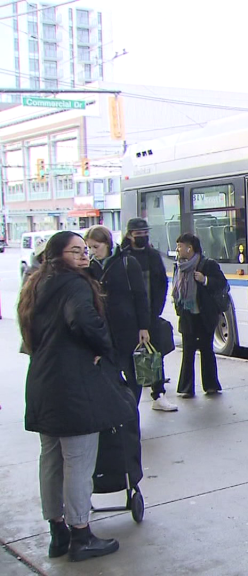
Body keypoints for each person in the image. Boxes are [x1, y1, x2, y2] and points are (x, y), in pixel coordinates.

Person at [18, 231, 121, 562]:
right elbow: (84, 321)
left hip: (43, 381)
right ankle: (81, 535)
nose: (83, 256)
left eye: (84, 250)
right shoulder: (75, 285)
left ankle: (57, 533)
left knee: (50, 459)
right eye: (75, 251)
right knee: (78, 461)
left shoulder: (36, 284)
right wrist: (102, 347)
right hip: (73, 384)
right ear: (57, 255)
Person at [85, 226, 151, 405]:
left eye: (96, 247)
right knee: (109, 373)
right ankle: (119, 414)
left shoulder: (127, 262)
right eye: (89, 248)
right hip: (104, 329)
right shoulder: (90, 267)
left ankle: (132, 412)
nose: (92, 252)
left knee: (132, 373)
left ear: (107, 244)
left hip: (127, 327)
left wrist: (143, 326)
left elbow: (140, 295)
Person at [122, 218, 177, 411]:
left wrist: (154, 312)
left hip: (150, 314)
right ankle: (130, 398)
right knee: (128, 358)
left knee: (155, 355)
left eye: (146, 232)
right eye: (139, 233)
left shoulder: (153, 256)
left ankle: (158, 393)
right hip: (128, 318)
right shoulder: (122, 257)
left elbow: (161, 283)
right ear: (129, 235)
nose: (143, 236)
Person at [172, 233, 226, 397]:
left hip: (204, 314)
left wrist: (205, 280)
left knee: (206, 350)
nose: (178, 249)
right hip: (187, 315)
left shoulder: (207, 264)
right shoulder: (179, 266)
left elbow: (222, 283)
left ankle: (210, 385)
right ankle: (186, 388)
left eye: (180, 246)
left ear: (190, 248)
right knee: (188, 352)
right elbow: (176, 290)